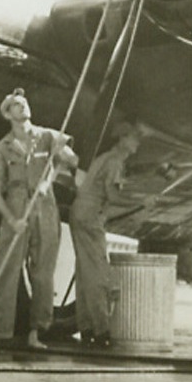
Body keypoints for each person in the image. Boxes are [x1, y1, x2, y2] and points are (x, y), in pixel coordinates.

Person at [0, 88, 77, 348]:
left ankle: (37, 333)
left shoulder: (47, 136)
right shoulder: (2, 148)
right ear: (7, 114)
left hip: (44, 207)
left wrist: (59, 165)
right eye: (16, 104)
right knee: (5, 269)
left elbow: (71, 160)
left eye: (24, 102)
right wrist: (12, 220)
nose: (23, 106)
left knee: (43, 273)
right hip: (15, 210)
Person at [69, 121, 143, 347]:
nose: (137, 142)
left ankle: (86, 328)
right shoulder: (114, 161)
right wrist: (140, 202)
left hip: (79, 213)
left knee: (84, 271)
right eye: (134, 137)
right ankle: (101, 330)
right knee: (98, 273)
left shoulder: (104, 158)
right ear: (122, 138)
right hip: (91, 218)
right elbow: (112, 195)